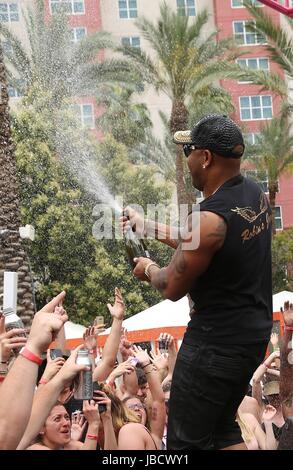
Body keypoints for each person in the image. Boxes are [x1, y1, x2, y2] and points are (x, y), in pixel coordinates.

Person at [121, 114, 273, 450]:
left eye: (188, 150)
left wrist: (147, 268)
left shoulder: (207, 219)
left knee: (184, 444)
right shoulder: (252, 194)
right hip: (249, 340)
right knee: (222, 433)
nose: (185, 158)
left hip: (213, 346)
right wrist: (147, 226)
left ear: (205, 157)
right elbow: (203, 245)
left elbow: (172, 286)